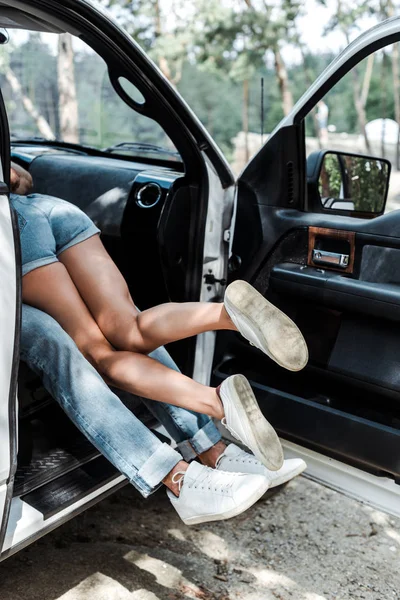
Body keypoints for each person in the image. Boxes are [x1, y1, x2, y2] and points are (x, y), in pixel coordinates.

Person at [11, 161, 308, 525]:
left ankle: (211, 414)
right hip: (50, 209)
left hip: (12, 227)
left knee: (97, 354)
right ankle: (228, 317)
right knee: (130, 328)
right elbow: (20, 178)